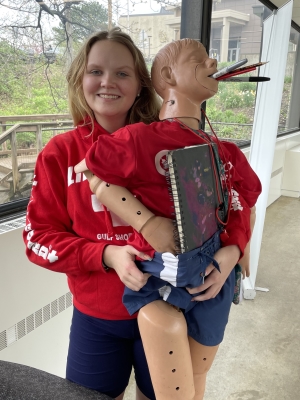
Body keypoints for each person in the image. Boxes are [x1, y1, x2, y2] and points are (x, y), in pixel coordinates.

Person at [74, 38, 262, 400]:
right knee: (174, 389)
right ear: (167, 76)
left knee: (197, 381)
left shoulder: (225, 150)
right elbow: (91, 170)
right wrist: (145, 221)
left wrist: (235, 251)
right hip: (162, 280)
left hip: (215, 281)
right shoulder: (140, 140)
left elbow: (243, 200)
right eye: (199, 59)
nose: (213, 62)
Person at [23, 27, 163, 400]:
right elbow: (37, 238)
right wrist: (106, 254)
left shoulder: (166, 145)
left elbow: (216, 207)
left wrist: (232, 253)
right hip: (96, 319)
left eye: (122, 73)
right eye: (96, 71)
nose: (107, 82)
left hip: (168, 309)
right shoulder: (60, 153)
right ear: (80, 79)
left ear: (139, 86)